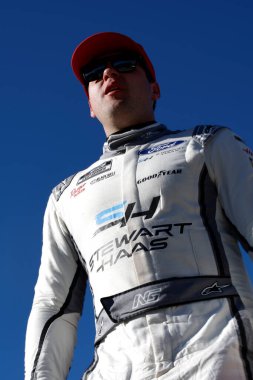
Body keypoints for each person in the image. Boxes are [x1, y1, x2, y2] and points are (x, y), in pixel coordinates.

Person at [25, 32, 253, 380]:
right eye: (94, 73)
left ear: (155, 89)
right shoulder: (65, 197)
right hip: (118, 369)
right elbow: (52, 307)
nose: (109, 75)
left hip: (219, 359)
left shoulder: (207, 145)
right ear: (89, 104)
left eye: (125, 65)